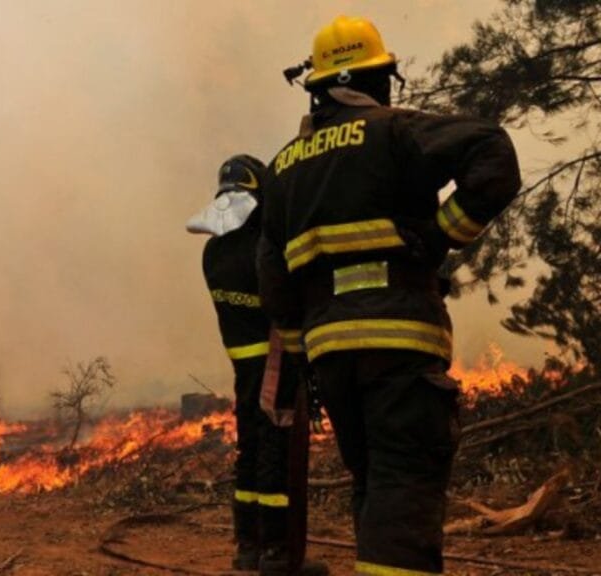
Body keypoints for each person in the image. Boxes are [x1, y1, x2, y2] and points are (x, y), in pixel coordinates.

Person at [257, 16, 521, 576]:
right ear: (374, 80)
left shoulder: (282, 169)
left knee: (374, 484)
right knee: (404, 484)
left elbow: (273, 276)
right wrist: (440, 235)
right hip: (400, 340)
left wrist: (304, 353)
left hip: (331, 358)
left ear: (319, 86)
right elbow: (494, 155)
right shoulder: (393, 131)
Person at [188, 155, 327, 575]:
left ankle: (247, 545)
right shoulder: (266, 248)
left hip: (243, 365)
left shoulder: (213, 252)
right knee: (276, 451)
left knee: (249, 448)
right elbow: (286, 296)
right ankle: (278, 551)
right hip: (276, 359)